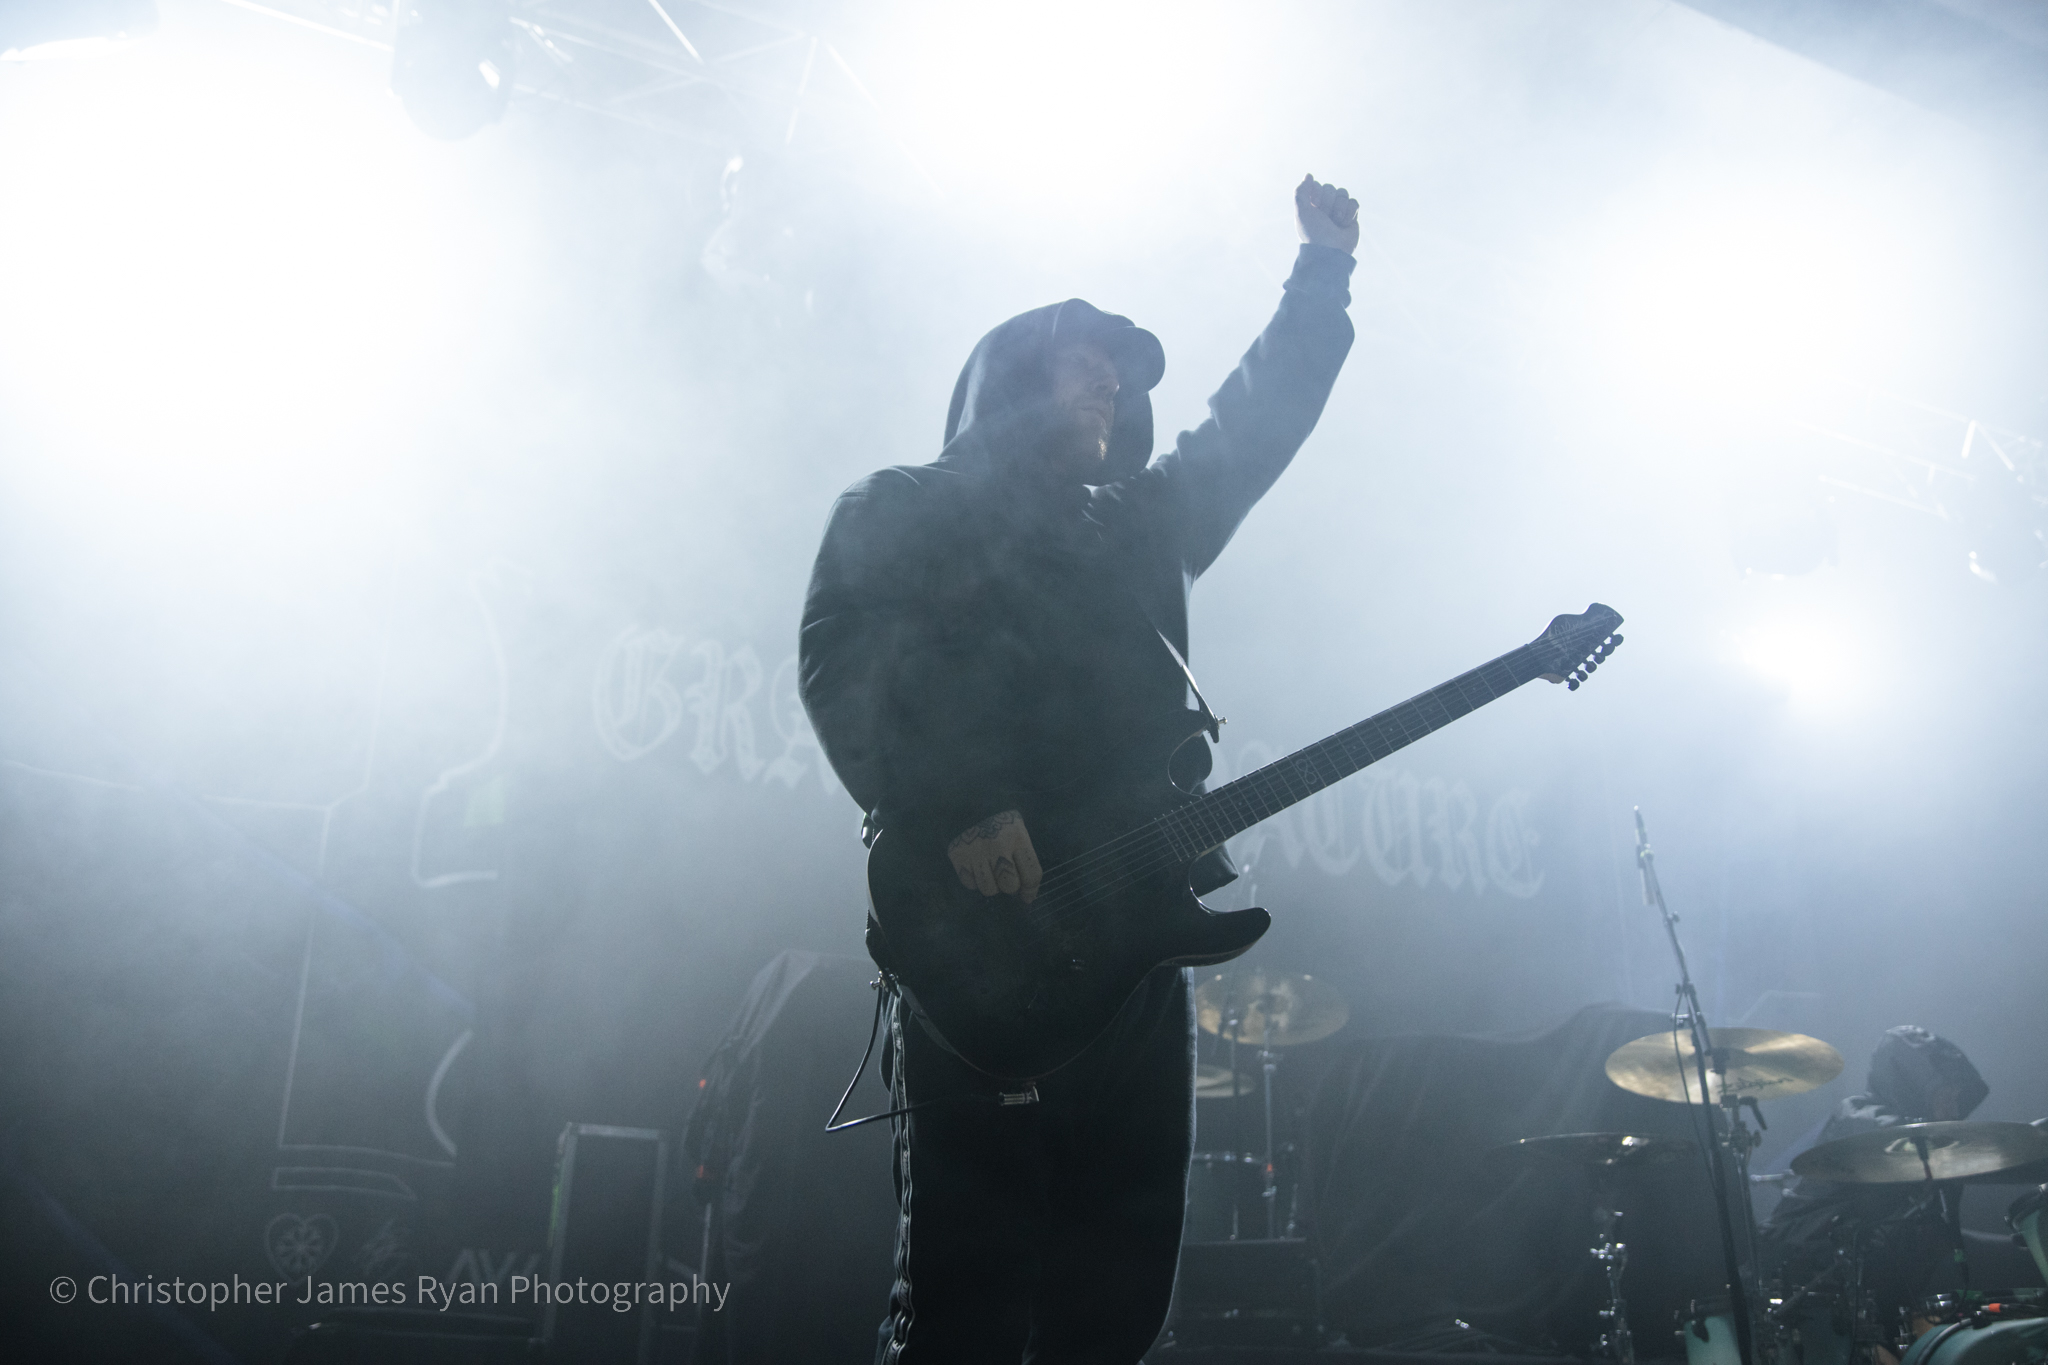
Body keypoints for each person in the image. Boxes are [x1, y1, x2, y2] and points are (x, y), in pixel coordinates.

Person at [798, 174, 1361, 1364]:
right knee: (969, 1301)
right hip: (982, 947)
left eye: (1119, 372)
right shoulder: (904, 507)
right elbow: (841, 663)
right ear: (1011, 379)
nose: (1110, 382)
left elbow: (1250, 428)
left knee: (1115, 1304)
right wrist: (959, 805)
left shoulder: (1135, 530)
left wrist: (1320, 275)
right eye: (1084, 361)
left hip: (1133, 960)